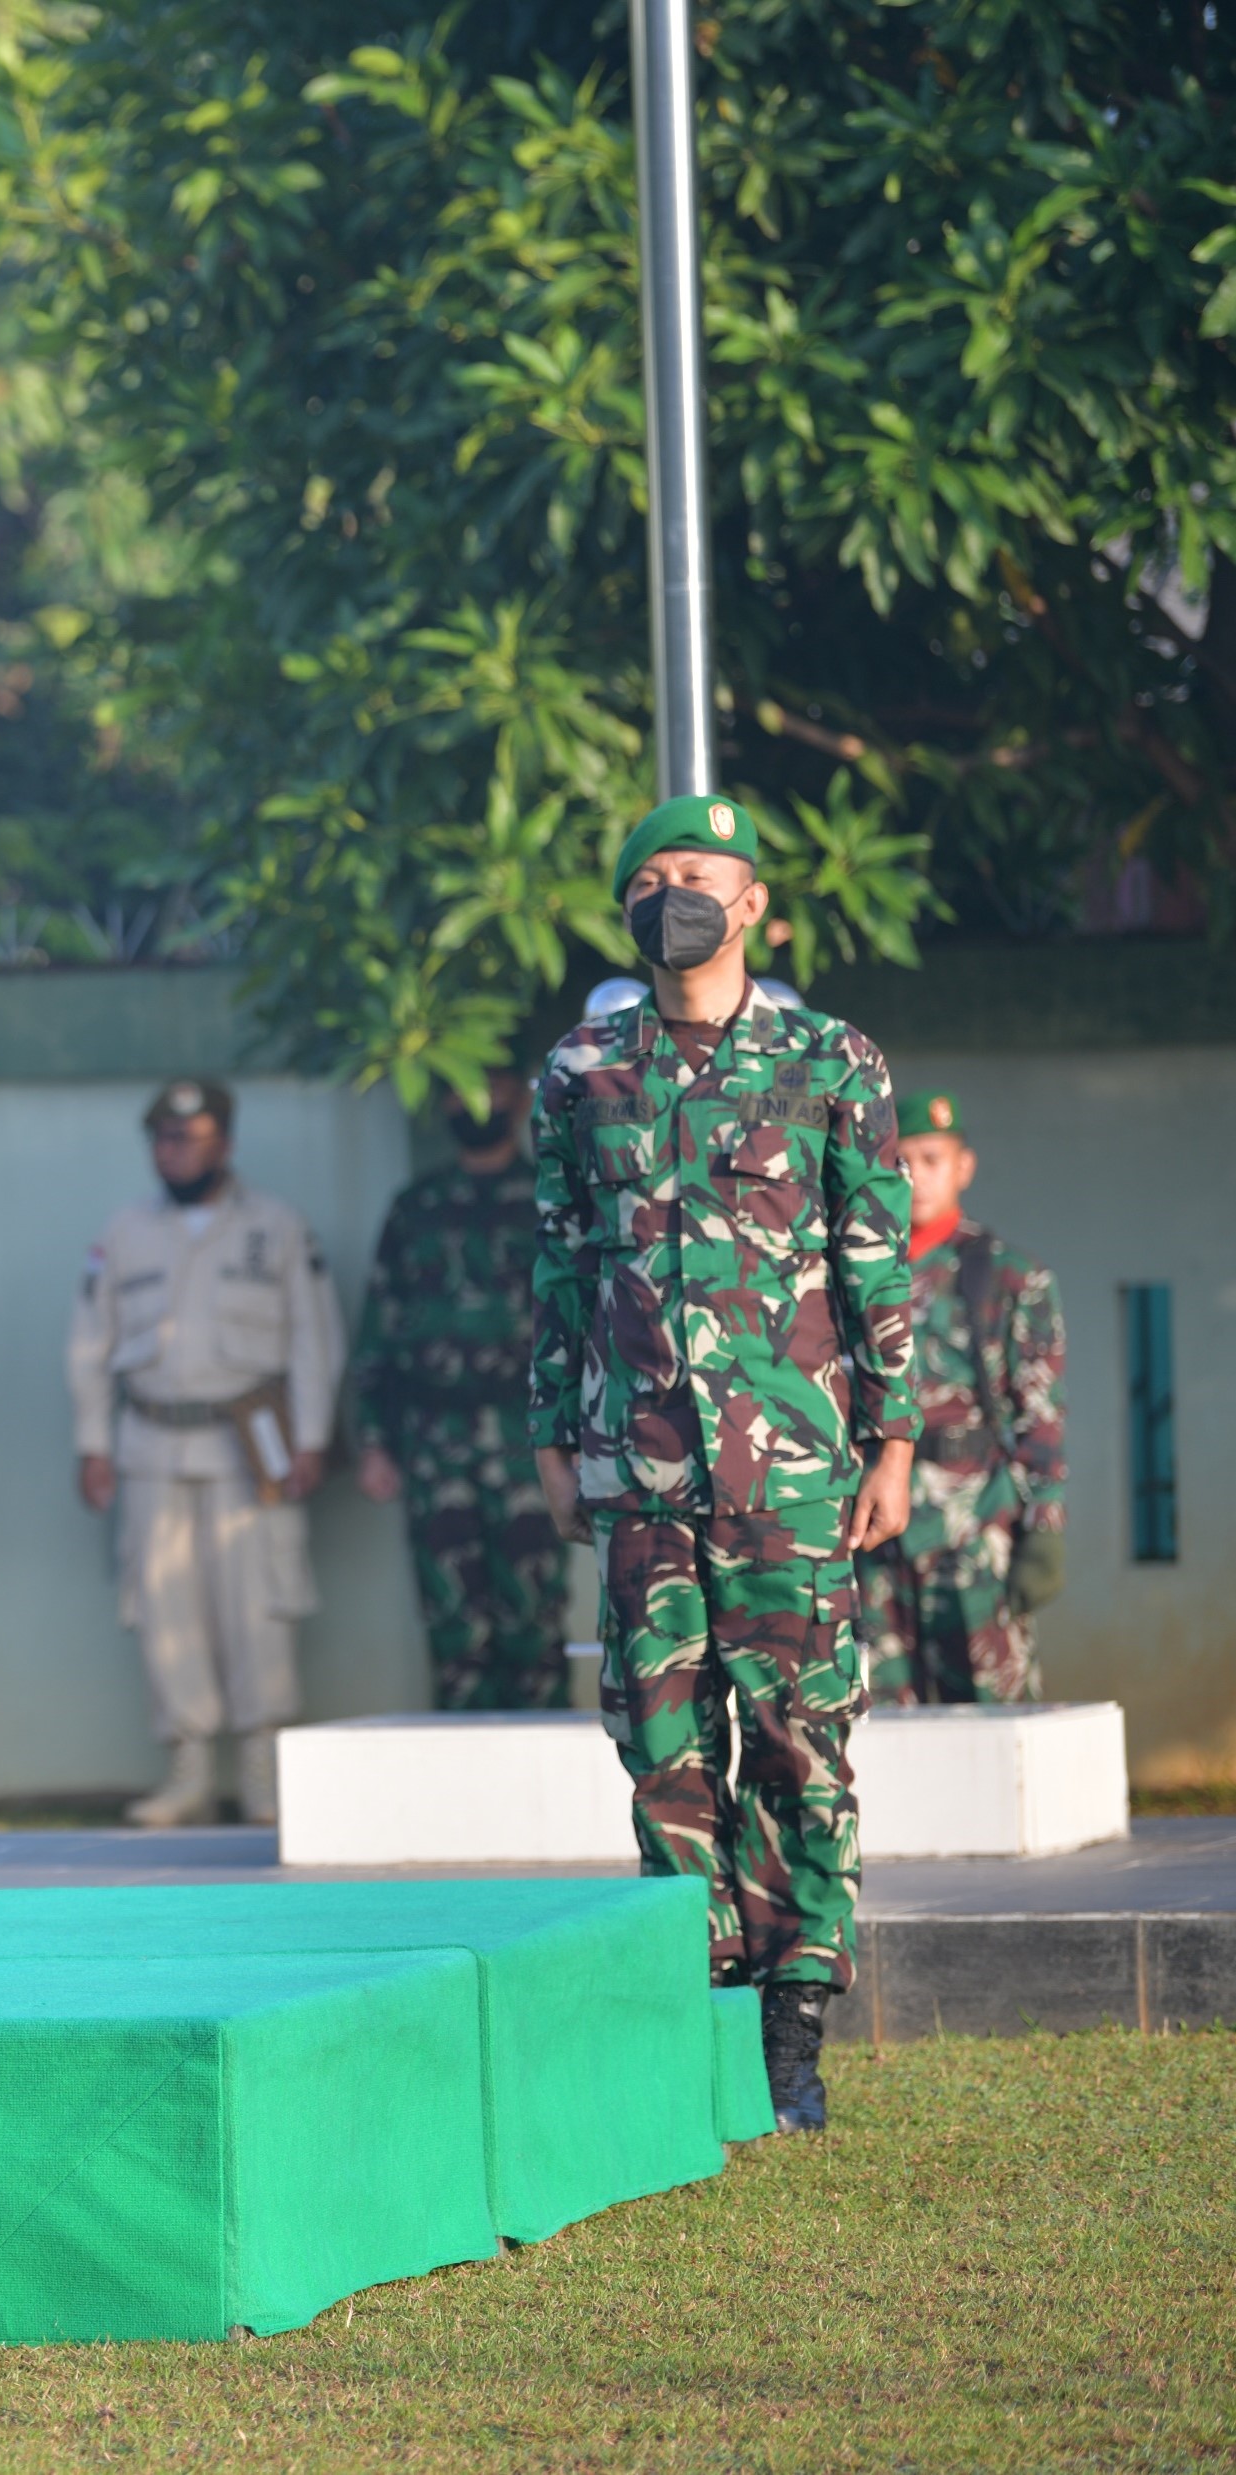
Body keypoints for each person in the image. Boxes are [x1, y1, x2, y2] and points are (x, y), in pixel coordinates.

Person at [531, 792, 917, 2136]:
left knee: (801, 1743)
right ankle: (693, 2021)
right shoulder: (582, 1068)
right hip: (635, 1468)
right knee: (662, 1746)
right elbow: (558, 1265)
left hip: (791, 1469)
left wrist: (894, 1438)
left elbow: (875, 1261)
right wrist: (551, 1436)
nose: (672, 897)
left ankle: (790, 2028)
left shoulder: (828, 1059)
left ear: (751, 903)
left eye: (697, 875)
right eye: (649, 879)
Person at [66, 1078, 343, 1827]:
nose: (174, 1152)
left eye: (188, 1138)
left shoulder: (275, 1227)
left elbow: (314, 1338)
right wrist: (92, 1444)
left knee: (260, 1605)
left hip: (248, 1446)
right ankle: (187, 1769)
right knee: (164, 1605)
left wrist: (311, 1437)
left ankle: (261, 1771)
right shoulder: (125, 1231)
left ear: (225, 1142)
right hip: (151, 1443)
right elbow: (88, 1345)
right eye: (163, 1139)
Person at [350, 1069, 569, 1709]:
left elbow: (584, 1325)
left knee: (533, 1617)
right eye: (460, 1089)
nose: (475, 1102)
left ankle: (542, 1759)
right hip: (436, 1440)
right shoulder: (416, 1207)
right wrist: (373, 1440)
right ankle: (461, 1762)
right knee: (453, 1621)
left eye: (492, 1086)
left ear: (520, 1098)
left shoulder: (552, 1201)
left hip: (530, 1441)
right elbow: (380, 1327)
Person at [861, 1090, 1067, 1704]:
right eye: (902, 1162)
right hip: (874, 1534)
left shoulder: (1010, 1275)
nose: (918, 1177)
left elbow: (1040, 1416)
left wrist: (1044, 1528)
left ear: (963, 1166)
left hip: (973, 1532)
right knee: (880, 1720)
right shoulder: (855, 1273)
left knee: (990, 1716)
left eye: (933, 1159)